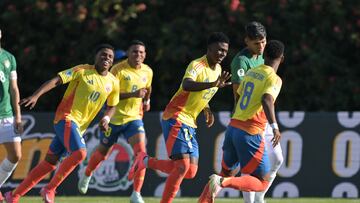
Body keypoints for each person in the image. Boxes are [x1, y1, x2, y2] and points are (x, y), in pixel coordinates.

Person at [4, 44, 120, 203]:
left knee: (50, 163)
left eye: (110, 57)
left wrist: (106, 118)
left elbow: (112, 105)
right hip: (65, 117)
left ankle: (13, 196)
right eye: (103, 55)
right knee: (80, 153)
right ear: (96, 57)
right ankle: (50, 188)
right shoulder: (83, 71)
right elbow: (57, 80)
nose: (106, 58)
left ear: (112, 61)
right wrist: (36, 95)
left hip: (79, 126)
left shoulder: (113, 82)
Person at [128, 32, 232, 203]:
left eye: (225, 51)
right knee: (182, 166)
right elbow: (187, 84)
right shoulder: (197, 65)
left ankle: (144, 161)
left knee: (190, 171)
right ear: (209, 48)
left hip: (190, 122)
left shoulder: (219, 70)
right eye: (219, 50)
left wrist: (206, 109)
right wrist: (213, 84)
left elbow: (202, 94)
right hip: (176, 115)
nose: (222, 54)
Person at [198, 40, 285, 203]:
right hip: (250, 131)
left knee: (225, 172)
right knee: (261, 181)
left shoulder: (251, 72)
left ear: (264, 55)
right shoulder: (274, 78)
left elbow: (239, 96)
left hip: (233, 128)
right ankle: (222, 182)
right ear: (282, 58)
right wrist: (274, 126)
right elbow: (267, 99)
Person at [77, 40, 152, 203]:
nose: (138, 55)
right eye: (134, 52)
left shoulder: (148, 71)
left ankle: (136, 193)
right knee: (103, 154)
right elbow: (109, 95)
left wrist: (147, 100)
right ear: (128, 53)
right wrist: (134, 94)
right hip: (114, 118)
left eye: (141, 52)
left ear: (145, 55)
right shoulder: (118, 70)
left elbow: (148, 87)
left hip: (134, 119)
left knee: (141, 154)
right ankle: (88, 173)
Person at [231, 21, 283, 203]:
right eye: (256, 43)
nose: (261, 46)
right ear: (247, 41)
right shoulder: (241, 60)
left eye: (263, 41)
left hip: (263, 119)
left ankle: (260, 197)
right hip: (247, 120)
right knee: (248, 166)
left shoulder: (265, 57)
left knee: (277, 159)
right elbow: (238, 95)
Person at [0, 29, 23, 202]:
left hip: (6, 114)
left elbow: (14, 89)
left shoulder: (9, 58)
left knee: (15, 155)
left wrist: (18, 116)